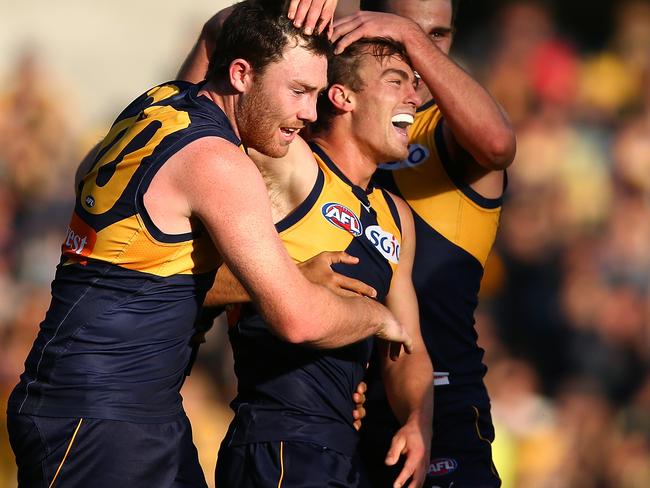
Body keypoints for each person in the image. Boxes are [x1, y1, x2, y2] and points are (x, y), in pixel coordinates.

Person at [5, 2, 413, 487]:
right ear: (240, 73)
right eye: (299, 91)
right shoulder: (217, 161)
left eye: (318, 94)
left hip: (131, 409)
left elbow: (217, 32)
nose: (309, 113)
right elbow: (298, 318)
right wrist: (384, 320)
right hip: (101, 413)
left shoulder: (159, 102)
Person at [180, 24, 434, 488]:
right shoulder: (292, 160)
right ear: (342, 97)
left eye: (415, 83)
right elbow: (197, 119)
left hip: (341, 450)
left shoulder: (396, 216)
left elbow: (407, 345)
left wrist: (419, 420)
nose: (415, 96)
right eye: (397, 81)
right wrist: (221, 30)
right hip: (277, 443)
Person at [331, 1, 517, 487]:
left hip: (440, 400)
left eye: (437, 37)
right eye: (403, 34)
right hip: (335, 402)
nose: (418, 54)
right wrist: (214, 34)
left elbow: (499, 145)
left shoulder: (449, 132)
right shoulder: (326, 119)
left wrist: (406, 37)